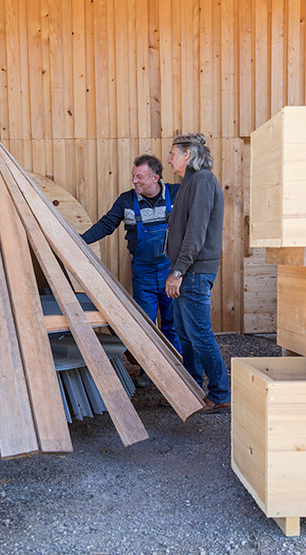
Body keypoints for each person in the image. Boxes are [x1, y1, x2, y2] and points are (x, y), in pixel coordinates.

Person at [81, 155, 182, 388]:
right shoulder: (127, 200)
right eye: (133, 176)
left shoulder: (177, 194)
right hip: (143, 272)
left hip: (171, 270)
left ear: (155, 177)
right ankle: (150, 371)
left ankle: (177, 374)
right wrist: (79, 240)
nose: (135, 181)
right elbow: (106, 225)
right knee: (145, 326)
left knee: (172, 325)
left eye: (140, 177)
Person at [165, 133, 231, 413]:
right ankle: (190, 387)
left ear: (188, 155)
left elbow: (196, 233)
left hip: (193, 272)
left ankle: (220, 394)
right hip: (187, 271)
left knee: (200, 334)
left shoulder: (203, 182)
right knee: (186, 333)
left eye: (172, 154)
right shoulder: (190, 183)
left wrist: (178, 271)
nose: (169, 160)